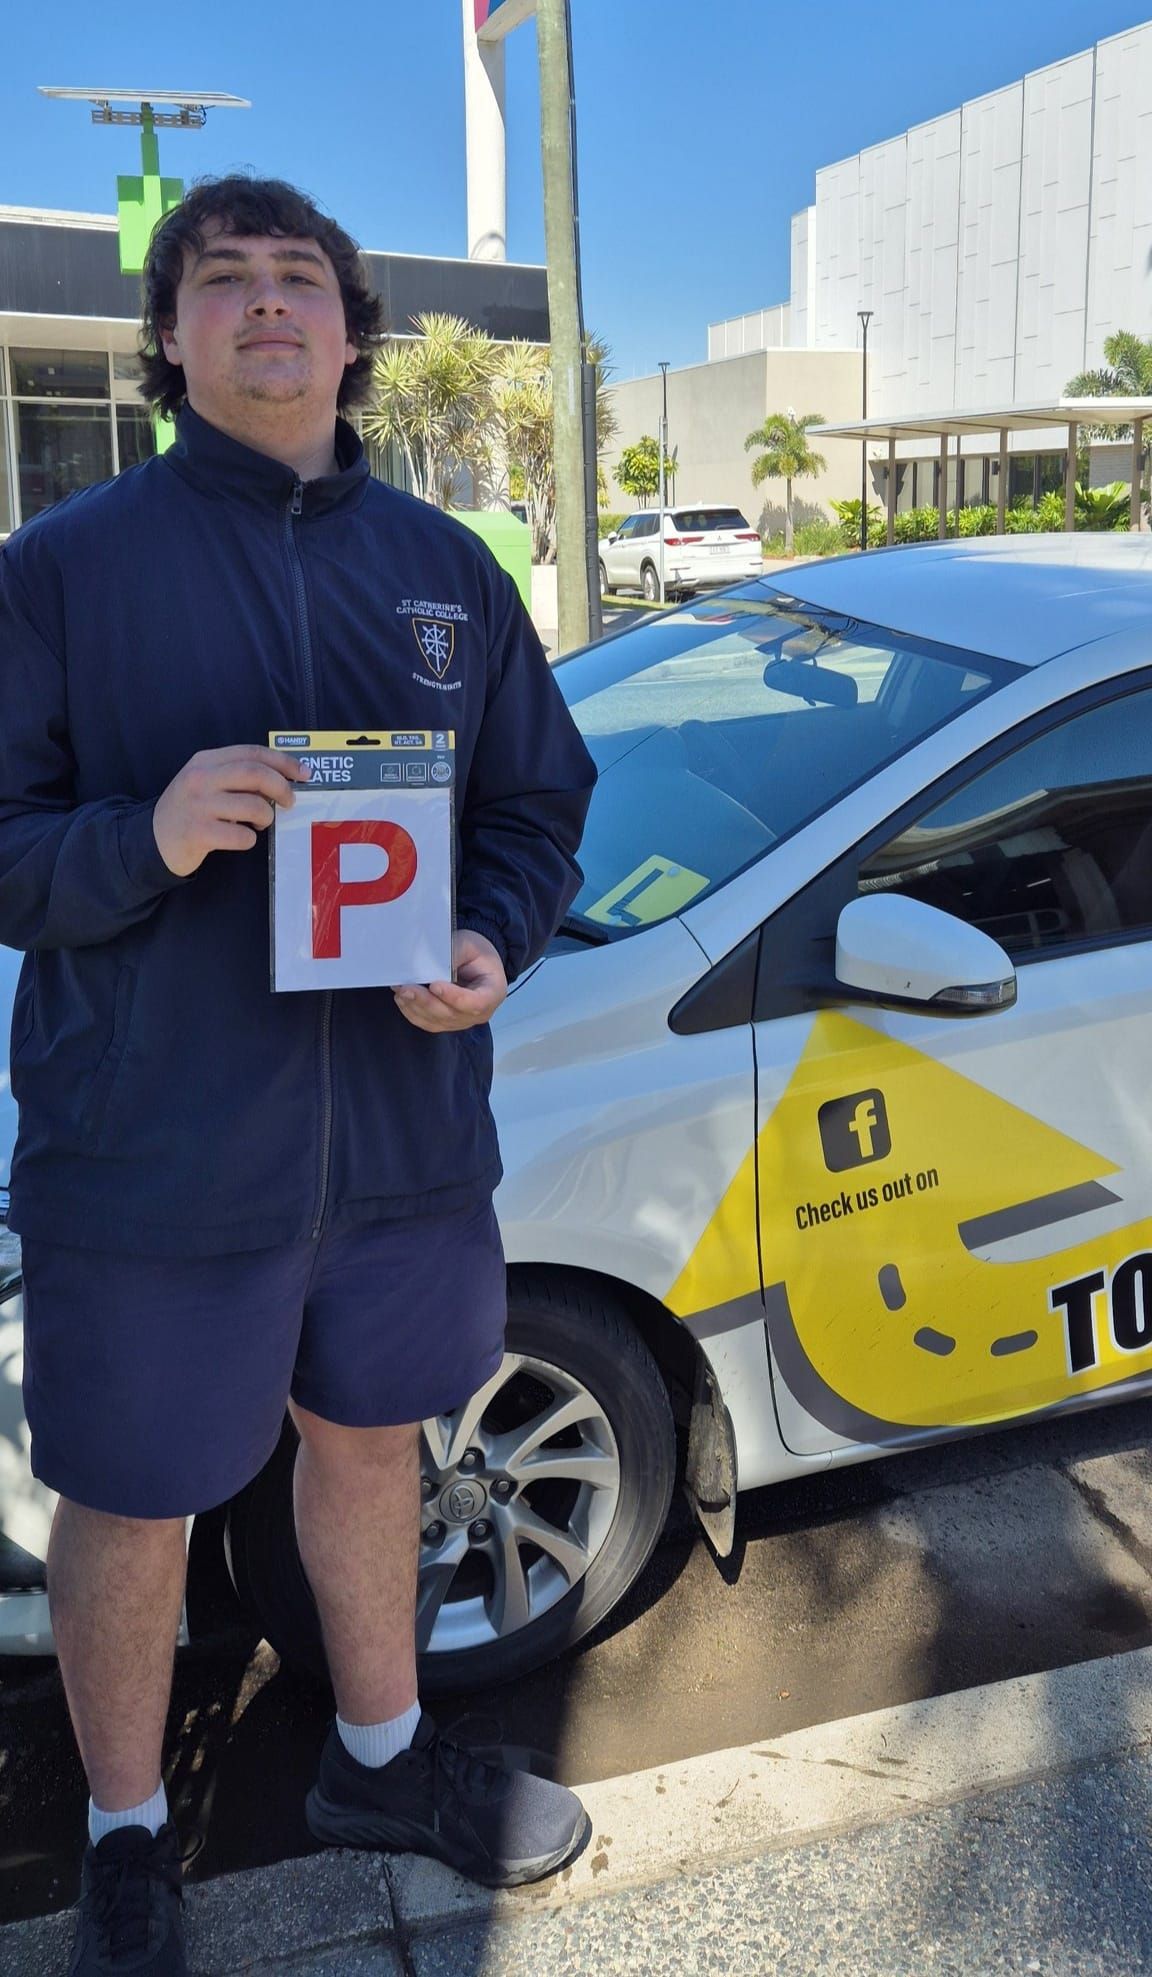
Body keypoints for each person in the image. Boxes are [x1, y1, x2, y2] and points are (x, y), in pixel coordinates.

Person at [0, 175, 597, 1976]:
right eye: (225, 280)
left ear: (352, 335)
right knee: (135, 1495)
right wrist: (144, 834)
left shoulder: (449, 574)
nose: (269, 306)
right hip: (156, 1160)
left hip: (406, 1149)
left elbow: (535, 810)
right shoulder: (58, 576)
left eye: (303, 282)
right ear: (172, 335)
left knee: (369, 1442)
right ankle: (122, 1838)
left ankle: (381, 1750)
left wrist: (492, 939)